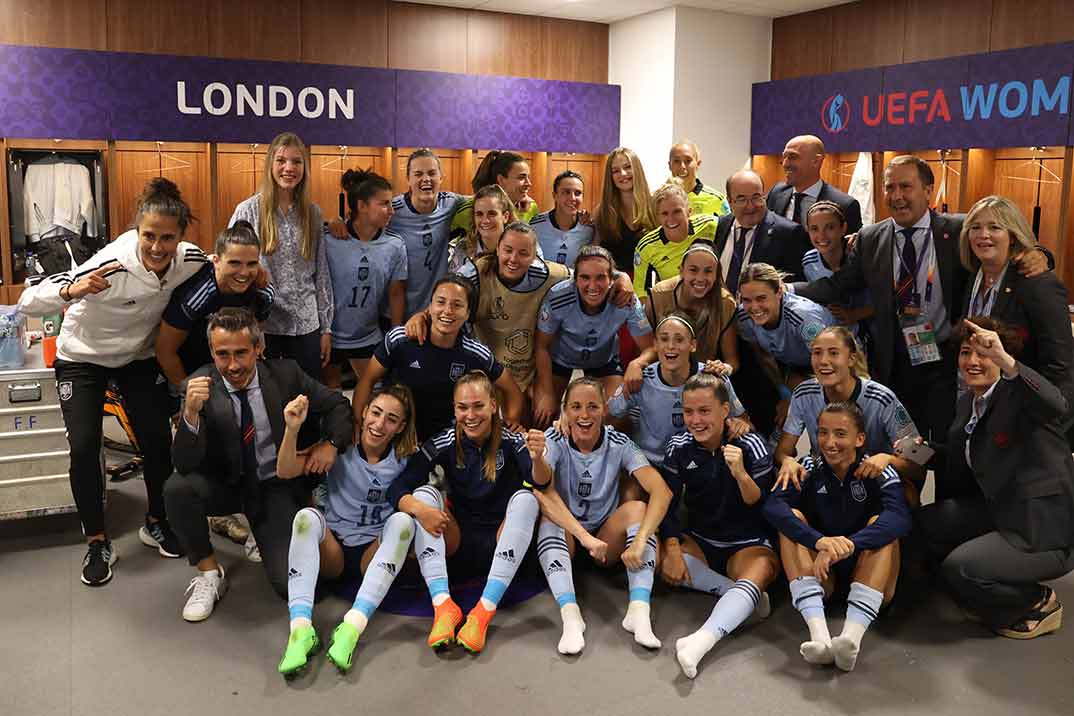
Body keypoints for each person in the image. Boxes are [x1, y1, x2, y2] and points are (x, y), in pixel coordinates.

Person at [794, 156, 1051, 488]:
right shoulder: (871, 238)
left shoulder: (958, 230)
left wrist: (1039, 254)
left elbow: (1003, 248)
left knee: (951, 447)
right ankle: (905, 516)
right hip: (896, 368)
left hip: (947, 365)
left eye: (906, 186)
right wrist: (784, 289)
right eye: (890, 187)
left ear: (928, 190)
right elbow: (839, 285)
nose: (897, 195)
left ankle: (945, 514)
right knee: (904, 451)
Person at [18, 177, 207, 586]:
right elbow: (26, 301)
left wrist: (256, 274)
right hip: (82, 358)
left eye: (167, 238)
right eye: (149, 236)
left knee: (158, 440)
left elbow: (220, 262)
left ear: (181, 237)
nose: (157, 247)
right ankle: (98, 540)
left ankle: (156, 520)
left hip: (135, 357)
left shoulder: (189, 259)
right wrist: (72, 288)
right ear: (137, 231)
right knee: (85, 445)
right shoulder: (112, 263)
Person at [164, 308, 353, 621]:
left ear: (258, 349)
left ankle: (261, 531)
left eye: (241, 353)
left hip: (273, 486)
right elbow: (184, 464)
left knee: (295, 588)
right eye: (222, 355)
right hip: (224, 484)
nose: (233, 365)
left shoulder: (286, 374)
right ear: (212, 352)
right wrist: (190, 415)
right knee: (177, 489)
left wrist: (330, 445)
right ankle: (210, 573)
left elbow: (337, 405)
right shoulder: (197, 385)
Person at [917, 317, 1074, 639]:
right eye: (965, 353)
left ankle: (1036, 602)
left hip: (1041, 528)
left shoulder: (1020, 395)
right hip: (998, 509)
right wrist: (917, 453)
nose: (973, 361)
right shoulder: (968, 403)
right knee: (923, 524)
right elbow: (963, 458)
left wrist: (1006, 360)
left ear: (1001, 358)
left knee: (960, 567)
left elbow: (1056, 404)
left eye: (984, 353)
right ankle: (977, 595)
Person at [386, 371, 551, 653]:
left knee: (527, 498)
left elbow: (541, 482)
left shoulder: (512, 440)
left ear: (493, 406)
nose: (470, 415)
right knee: (425, 495)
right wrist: (420, 510)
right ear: (454, 409)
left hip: (505, 542)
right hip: (459, 544)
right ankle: (443, 607)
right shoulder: (444, 440)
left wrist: (538, 459)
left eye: (478, 406)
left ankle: (482, 614)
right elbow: (398, 487)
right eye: (462, 407)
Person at [277, 385, 418, 675]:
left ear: (401, 427)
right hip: (335, 551)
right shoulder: (339, 447)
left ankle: (353, 626)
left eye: (391, 419)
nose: (379, 424)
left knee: (404, 522)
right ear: (364, 411)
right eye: (376, 413)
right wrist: (291, 430)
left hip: (374, 553)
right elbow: (286, 470)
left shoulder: (407, 459)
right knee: (305, 517)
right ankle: (301, 629)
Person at [764, 402, 910, 672]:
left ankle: (849, 641)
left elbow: (900, 517)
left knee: (883, 525)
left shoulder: (877, 469)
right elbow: (773, 507)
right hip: (822, 577)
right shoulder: (807, 465)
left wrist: (850, 545)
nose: (830, 443)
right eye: (822, 433)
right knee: (791, 518)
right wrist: (819, 542)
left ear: (860, 439)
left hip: (869, 576)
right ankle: (819, 638)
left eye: (840, 434)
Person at [531, 377, 672, 654]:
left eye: (592, 407)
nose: (584, 415)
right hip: (570, 536)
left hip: (606, 541)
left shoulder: (620, 443)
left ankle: (639, 611)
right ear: (566, 411)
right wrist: (537, 459)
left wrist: (642, 539)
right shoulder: (554, 438)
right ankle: (571, 617)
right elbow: (542, 488)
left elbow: (661, 491)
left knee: (638, 509)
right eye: (576, 407)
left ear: (605, 409)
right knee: (548, 514)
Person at [659, 373, 778, 679]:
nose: (696, 420)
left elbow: (761, 504)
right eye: (689, 412)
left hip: (746, 543)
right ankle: (741, 596)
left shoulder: (752, 444)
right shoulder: (678, 446)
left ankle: (701, 641)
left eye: (704, 411)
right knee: (656, 555)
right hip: (701, 541)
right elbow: (668, 504)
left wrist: (740, 473)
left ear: (725, 411)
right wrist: (672, 548)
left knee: (765, 568)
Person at [409, 223, 569, 413]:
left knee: (537, 420)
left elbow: (589, 274)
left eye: (523, 253)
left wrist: (615, 278)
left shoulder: (548, 274)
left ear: (534, 256)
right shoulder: (474, 273)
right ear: (498, 249)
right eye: (508, 250)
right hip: (483, 366)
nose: (513, 259)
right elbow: (448, 298)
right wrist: (422, 316)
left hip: (526, 370)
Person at [353, 275, 524, 441]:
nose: (447, 311)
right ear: (430, 306)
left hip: (446, 440)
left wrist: (512, 420)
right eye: (441, 302)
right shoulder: (400, 338)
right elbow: (367, 380)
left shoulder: (475, 353)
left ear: (467, 313)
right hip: (397, 432)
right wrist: (358, 424)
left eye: (457, 305)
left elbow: (512, 390)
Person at [959, 195, 1074, 425]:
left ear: (1012, 235)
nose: (983, 235)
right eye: (976, 227)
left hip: (1023, 416)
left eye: (995, 227)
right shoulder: (971, 277)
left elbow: (1060, 367)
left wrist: (1054, 427)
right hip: (974, 406)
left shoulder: (1038, 285)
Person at [229, 131, 332, 379]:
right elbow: (230, 269)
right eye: (281, 160)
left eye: (297, 162)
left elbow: (322, 274)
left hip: (306, 325)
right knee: (270, 402)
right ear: (270, 165)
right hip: (266, 326)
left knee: (307, 400)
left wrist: (326, 328)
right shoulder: (248, 211)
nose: (289, 168)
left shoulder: (313, 213)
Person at [775, 326, 922, 495]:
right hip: (828, 481)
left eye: (833, 353)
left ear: (851, 358)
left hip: (875, 483)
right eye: (817, 353)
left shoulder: (883, 398)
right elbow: (782, 451)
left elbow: (918, 464)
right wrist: (787, 461)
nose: (823, 360)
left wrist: (888, 459)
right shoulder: (803, 393)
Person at [533, 245, 653, 427]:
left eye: (600, 278)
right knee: (542, 416)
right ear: (575, 279)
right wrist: (546, 393)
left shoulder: (625, 299)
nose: (592, 285)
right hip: (561, 359)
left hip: (603, 361)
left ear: (612, 278)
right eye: (585, 278)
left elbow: (650, 347)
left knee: (616, 414)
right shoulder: (558, 297)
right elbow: (541, 346)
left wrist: (637, 363)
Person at [609, 314, 749, 467]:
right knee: (631, 492)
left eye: (679, 339)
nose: (670, 346)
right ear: (655, 344)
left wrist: (740, 424)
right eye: (664, 339)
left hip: (701, 463)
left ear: (693, 345)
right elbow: (609, 415)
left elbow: (743, 420)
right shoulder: (640, 379)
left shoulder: (712, 378)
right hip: (651, 462)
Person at [156, 220, 274, 386]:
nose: (244, 272)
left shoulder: (264, 293)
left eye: (252, 264)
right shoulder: (195, 295)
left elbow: (255, 335)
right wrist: (185, 394)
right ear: (216, 261)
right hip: (192, 372)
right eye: (235, 263)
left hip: (235, 374)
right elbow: (165, 351)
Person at [323, 168, 407, 388]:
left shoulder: (394, 245)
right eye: (384, 204)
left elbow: (396, 293)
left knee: (375, 392)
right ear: (362, 206)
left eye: (391, 204)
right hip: (330, 336)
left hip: (368, 335)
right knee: (333, 397)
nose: (391, 211)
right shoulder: (329, 240)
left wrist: (396, 337)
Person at [735, 263, 836, 431]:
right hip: (797, 365)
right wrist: (784, 392)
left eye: (761, 298)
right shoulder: (744, 317)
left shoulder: (803, 316)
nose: (754, 307)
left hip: (839, 361)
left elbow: (831, 364)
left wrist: (795, 399)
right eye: (746, 300)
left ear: (779, 292)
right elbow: (763, 355)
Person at [634, 243, 740, 382]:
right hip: (663, 377)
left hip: (703, 380)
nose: (700, 278)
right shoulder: (659, 295)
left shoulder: (725, 303)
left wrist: (724, 368)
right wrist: (637, 365)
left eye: (708, 271)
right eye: (693, 270)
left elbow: (732, 360)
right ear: (681, 271)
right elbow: (647, 346)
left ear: (717, 274)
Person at [386, 149, 466, 317]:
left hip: (434, 312)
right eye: (418, 174)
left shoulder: (451, 203)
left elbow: (485, 200)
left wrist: (521, 201)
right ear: (408, 179)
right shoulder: (392, 210)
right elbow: (361, 222)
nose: (426, 179)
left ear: (441, 177)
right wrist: (339, 223)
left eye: (431, 173)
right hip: (395, 310)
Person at [715, 170, 811, 292]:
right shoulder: (720, 226)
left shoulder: (789, 233)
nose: (750, 206)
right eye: (741, 199)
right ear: (729, 201)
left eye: (756, 197)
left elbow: (799, 284)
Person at [633, 182, 717, 299]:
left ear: (689, 211)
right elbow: (641, 293)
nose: (671, 219)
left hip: (712, 300)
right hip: (674, 307)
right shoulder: (646, 247)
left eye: (677, 211)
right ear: (658, 217)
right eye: (664, 214)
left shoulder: (711, 226)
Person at [766, 134, 863, 234]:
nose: (785, 164)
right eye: (784, 157)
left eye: (792, 157)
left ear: (816, 161)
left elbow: (852, 247)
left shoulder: (844, 205)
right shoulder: (776, 193)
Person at [802, 201, 872, 337]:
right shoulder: (809, 261)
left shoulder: (860, 254)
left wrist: (855, 314)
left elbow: (887, 299)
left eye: (830, 228)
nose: (822, 236)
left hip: (871, 332)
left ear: (843, 228)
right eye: (814, 229)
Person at [593, 147, 657, 274]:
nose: (622, 174)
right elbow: (596, 253)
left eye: (627, 167)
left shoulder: (655, 206)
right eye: (615, 171)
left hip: (646, 288)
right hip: (613, 285)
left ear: (637, 169)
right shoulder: (602, 211)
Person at [451, 151, 539, 240]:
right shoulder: (471, 211)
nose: (529, 183)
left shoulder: (531, 207)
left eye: (528, 177)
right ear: (501, 179)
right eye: (521, 177)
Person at [530, 170, 594, 268]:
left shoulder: (588, 228)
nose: (572, 198)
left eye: (578, 193)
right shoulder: (536, 225)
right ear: (554, 195)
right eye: (566, 192)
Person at [447, 184, 515, 273]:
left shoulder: (522, 244)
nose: (485, 220)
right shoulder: (463, 248)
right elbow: (452, 283)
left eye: (492, 214)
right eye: (479, 214)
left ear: (505, 216)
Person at [668, 140, 730, 218]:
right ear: (669, 165)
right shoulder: (658, 200)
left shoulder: (717, 199)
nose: (682, 166)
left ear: (698, 164)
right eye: (676, 161)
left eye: (688, 161)